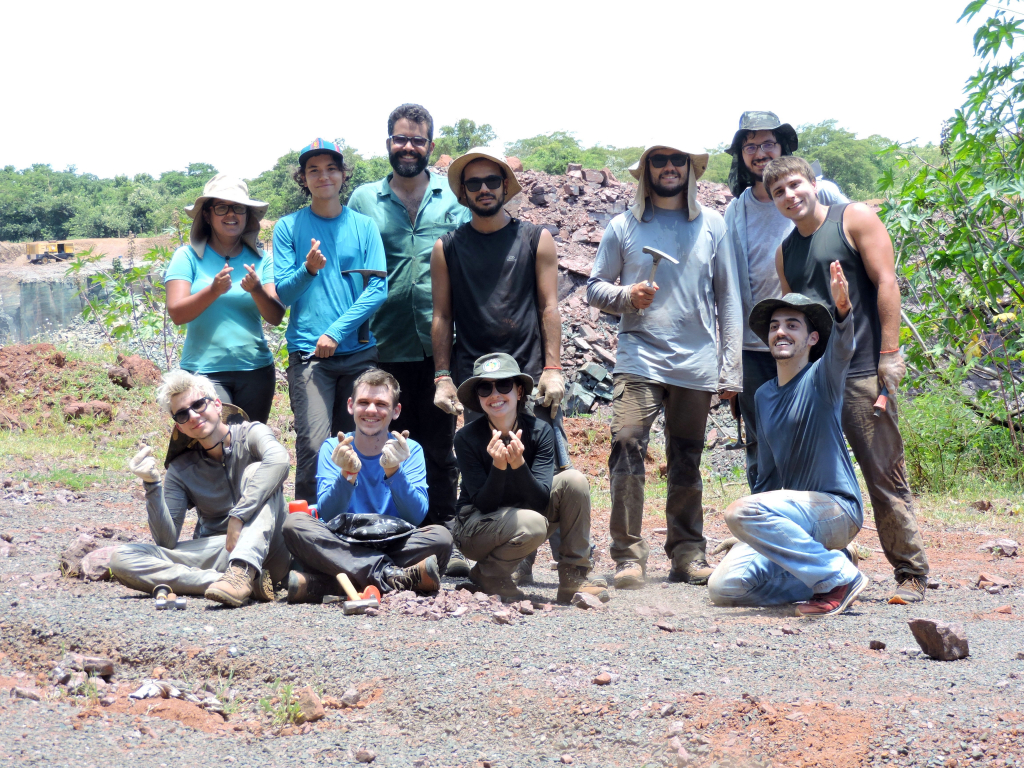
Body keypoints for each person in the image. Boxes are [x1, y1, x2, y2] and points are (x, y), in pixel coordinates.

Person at [765, 156, 930, 604]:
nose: (790, 196)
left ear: (813, 183)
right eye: (779, 192)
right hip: (816, 380)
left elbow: (886, 282)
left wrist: (889, 354)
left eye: (795, 185)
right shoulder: (786, 250)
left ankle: (910, 572)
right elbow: (796, 318)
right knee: (812, 479)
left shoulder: (853, 218)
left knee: (882, 472)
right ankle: (829, 570)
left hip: (860, 371)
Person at [587, 140, 742, 590]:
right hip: (639, 355)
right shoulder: (624, 226)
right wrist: (626, 296)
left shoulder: (712, 225)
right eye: (660, 160)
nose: (669, 167)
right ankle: (628, 556)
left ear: (690, 170)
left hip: (696, 361)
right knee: (628, 442)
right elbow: (594, 289)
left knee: (687, 457)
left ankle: (688, 554)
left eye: (678, 160)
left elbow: (728, 298)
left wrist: (730, 368)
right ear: (647, 170)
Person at [430, 147, 571, 581]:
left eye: (492, 181)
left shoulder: (535, 239)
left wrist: (553, 367)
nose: (484, 189)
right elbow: (442, 316)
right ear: (463, 192)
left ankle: (570, 565)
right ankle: (499, 553)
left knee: (552, 463)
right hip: (478, 380)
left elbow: (549, 306)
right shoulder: (448, 247)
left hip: (528, 372)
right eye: (474, 183)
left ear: (506, 186)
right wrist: (442, 378)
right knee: (483, 463)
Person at [347, 104, 471, 576]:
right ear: (388, 143)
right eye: (400, 139)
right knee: (381, 440)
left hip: (442, 347)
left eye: (417, 140)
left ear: (430, 146)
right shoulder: (363, 200)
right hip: (380, 344)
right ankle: (379, 533)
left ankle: (444, 539)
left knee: (440, 447)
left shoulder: (452, 199)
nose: (408, 147)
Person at [708, 263, 868, 616]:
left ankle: (838, 577)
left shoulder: (821, 377)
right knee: (723, 589)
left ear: (812, 339)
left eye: (793, 326)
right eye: (775, 326)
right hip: (789, 515)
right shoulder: (763, 395)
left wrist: (843, 310)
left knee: (739, 511)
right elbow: (767, 477)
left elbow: (842, 348)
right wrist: (760, 531)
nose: (781, 332)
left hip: (835, 508)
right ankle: (834, 563)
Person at [722, 112, 848, 490]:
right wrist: (730, 358)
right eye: (750, 146)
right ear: (742, 155)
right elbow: (729, 285)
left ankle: (820, 516)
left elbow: (846, 237)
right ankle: (765, 520)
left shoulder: (818, 191)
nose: (760, 153)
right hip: (756, 342)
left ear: (783, 147)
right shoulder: (737, 209)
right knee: (762, 437)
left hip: (811, 337)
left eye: (767, 144)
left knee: (818, 430)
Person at [109, 370, 291, 607]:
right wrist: (152, 485)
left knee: (256, 472)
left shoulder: (252, 433)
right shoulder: (180, 468)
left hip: (270, 545)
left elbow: (279, 460)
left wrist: (240, 514)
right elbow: (167, 540)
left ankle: (241, 573)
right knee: (122, 558)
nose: (193, 416)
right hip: (219, 550)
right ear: (180, 427)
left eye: (198, 405)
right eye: (182, 415)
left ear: (217, 404)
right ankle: (233, 582)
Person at [274, 138, 387, 504]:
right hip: (310, 356)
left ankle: (357, 526)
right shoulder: (288, 228)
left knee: (361, 443)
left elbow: (377, 290)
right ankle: (307, 533)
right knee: (314, 444)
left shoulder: (364, 226)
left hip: (358, 353)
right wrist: (308, 270)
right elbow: (284, 294)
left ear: (343, 175)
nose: (323, 176)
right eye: (313, 170)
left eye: (331, 168)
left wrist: (336, 332)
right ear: (302, 179)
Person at [282, 368, 452, 601]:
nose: (371, 410)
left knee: (441, 537)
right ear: (351, 406)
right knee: (295, 524)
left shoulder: (410, 450)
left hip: (393, 541)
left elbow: (415, 516)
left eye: (381, 404)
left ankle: (329, 584)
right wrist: (347, 474)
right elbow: (328, 512)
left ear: (396, 411)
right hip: (344, 541)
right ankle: (393, 576)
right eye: (364, 402)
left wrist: (394, 471)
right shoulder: (334, 448)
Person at [452, 354, 606, 603]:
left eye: (503, 385)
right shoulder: (466, 438)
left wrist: (518, 464)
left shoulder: (539, 431)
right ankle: (488, 574)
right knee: (532, 523)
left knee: (574, 480)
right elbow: (484, 504)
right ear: (478, 397)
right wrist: (499, 467)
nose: (495, 395)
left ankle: (573, 576)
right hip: (475, 526)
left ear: (519, 391)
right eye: (485, 387)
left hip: (526, 516)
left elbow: (539, 500)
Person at [165, 174, 285, 424]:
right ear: (207, 215)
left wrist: (257, 290)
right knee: (216, 446)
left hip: (256, 371)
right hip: (203, 373)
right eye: (222, 208)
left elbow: (275, 317)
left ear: (247, 214)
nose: (231, 215)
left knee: (247, 448)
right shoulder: (186, 257)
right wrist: (213, 291)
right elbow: (176, 314)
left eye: (238, 208)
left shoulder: (263, 259)